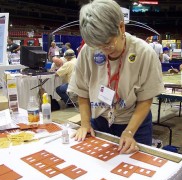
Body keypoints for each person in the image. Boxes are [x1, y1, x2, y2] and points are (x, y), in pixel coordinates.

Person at [68, 0, 164, 154]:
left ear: (121, 27)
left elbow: (146, 99)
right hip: (99, 120)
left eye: (107, 44)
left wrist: (129, 132)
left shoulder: (144, 53)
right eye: (98, 47)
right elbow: (82, 92)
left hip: (134, 124)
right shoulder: (88, 50)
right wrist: (85, 123)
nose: (104, 51)